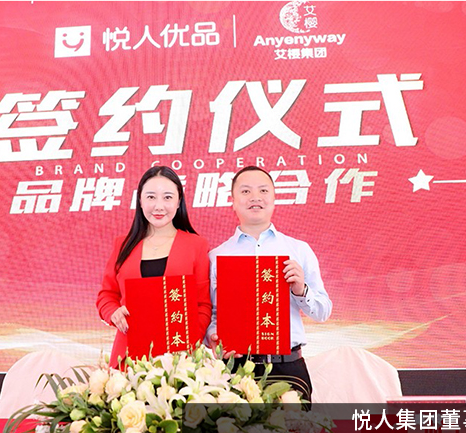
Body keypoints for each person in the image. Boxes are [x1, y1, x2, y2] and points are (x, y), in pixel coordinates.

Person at [205, 166, 332, 401]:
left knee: (292, 427)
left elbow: (323, 311)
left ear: (274, 199)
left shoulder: (298, 250)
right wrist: (213, 336)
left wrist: (300, 290)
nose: (255, 197)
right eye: (246, 191)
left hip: (288, 368)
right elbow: (212, 314)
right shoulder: (216, 256)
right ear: (232, 201)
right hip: (235, 370)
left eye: (263, 190)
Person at [97, 166, 212, 368]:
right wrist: (113, 312)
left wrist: (190, 341)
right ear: (140, 201)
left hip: (180, 359)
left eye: (167, 197)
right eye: (151, 197)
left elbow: (203, 305)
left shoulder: (197, 245)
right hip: (128, 356)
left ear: (179, 201)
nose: (159, 206)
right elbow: (106, 295)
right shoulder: (122, 245)